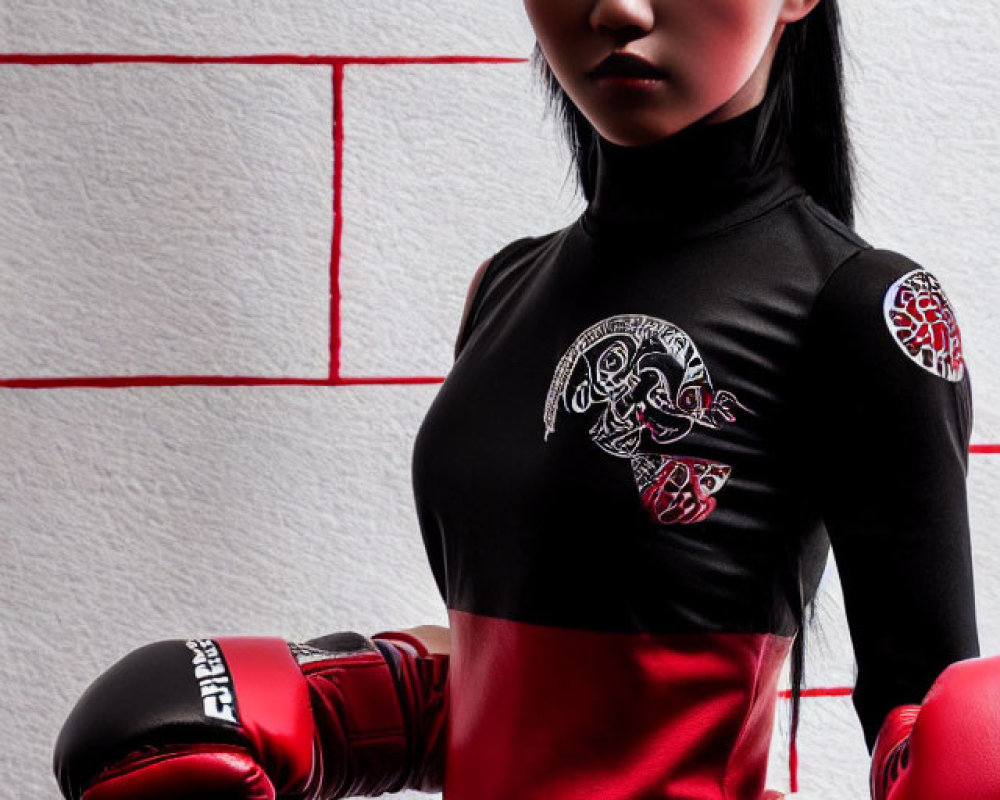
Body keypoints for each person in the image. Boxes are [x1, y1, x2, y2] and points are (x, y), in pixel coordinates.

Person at [52, 1, 998, 799]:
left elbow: (937, 738)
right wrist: (351, 708)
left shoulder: (870, 308)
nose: (619, 9)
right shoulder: (505, 284)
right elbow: (527, 677)